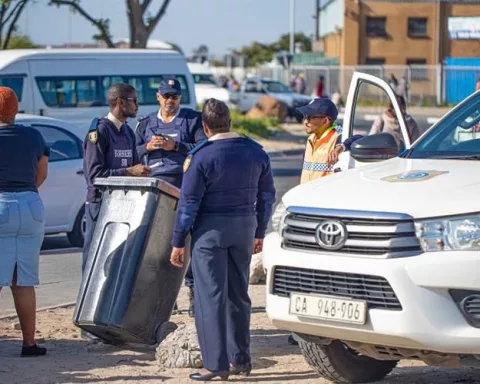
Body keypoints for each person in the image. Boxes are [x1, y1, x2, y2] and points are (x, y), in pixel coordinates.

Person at [169, 99, 276, 381]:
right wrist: (260, 231)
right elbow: (267, 196)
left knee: (210, 297)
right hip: (244, 228)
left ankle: (215, 364)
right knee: (238, 294)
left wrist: (178, 240)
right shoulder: (256, 152)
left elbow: (188, 203)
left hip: (210, 232)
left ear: (205, 127)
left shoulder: (200, 157)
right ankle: (240, 359)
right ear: (229, 121)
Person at [82, 83, 151, 339]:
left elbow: (133, 166)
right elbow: (94, 176)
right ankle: (88, 323)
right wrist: (128, 172)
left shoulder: (128, 134)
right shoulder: (99, 132)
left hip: (124, 205)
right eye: (134, 100)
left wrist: (140, 174)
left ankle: (110, 318)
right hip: (101, 205)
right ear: (121, 103)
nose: (137, 105)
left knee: (119, 263)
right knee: (94, 263)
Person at [134, 78, 207, 317]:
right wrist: (148, 147)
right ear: (158, 97)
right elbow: (131, 154)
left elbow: (204, 148)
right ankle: (164, 295)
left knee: (186, 242)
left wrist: (176, 146)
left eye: (174, 97)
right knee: (157, 245)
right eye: (166, 97)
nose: (170, 101)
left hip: (184, 186)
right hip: (155, 187)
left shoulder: (191, 120)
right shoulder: (145, 123)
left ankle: (194, 293)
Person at [0, 87, 49, 357]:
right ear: (16, 109)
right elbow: (41, 173)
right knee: (23, 280)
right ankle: (29, 343)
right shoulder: (34, 135)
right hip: (30, 203)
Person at [327, 95, 420, 166]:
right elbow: (370, 139)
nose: (401, 112)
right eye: (398, 109)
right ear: (390, 108)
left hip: (405, 160)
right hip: (384, 161)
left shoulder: (410, 123)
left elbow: (417, 145)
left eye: (402, 109)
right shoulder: (382, 120)